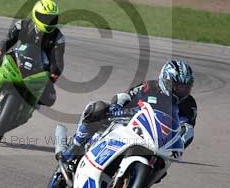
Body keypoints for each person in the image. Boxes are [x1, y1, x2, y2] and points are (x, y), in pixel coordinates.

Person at [58, 59, 197, 166]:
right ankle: (74, 149)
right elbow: (126, 97)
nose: (181, 90)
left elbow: (187, 129)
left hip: (158, 141)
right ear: (165, 80)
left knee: (163, 165)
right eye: (177, 86)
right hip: (129, 124)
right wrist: (116, 107)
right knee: (96, 108)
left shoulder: (189, 105)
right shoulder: (149, 87)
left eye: (186, 86)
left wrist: (180, 143)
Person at [0, 0, 65, 107]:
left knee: (50, 98)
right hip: (19, 58)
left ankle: (30, 104)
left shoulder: (58, 37)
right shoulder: (23, 25)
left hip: (40, 69)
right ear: (35, 15)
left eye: (52, 19)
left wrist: (54, 73)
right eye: (45, 18)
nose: (48, 22)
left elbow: (58, 59)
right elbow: (8, 40)